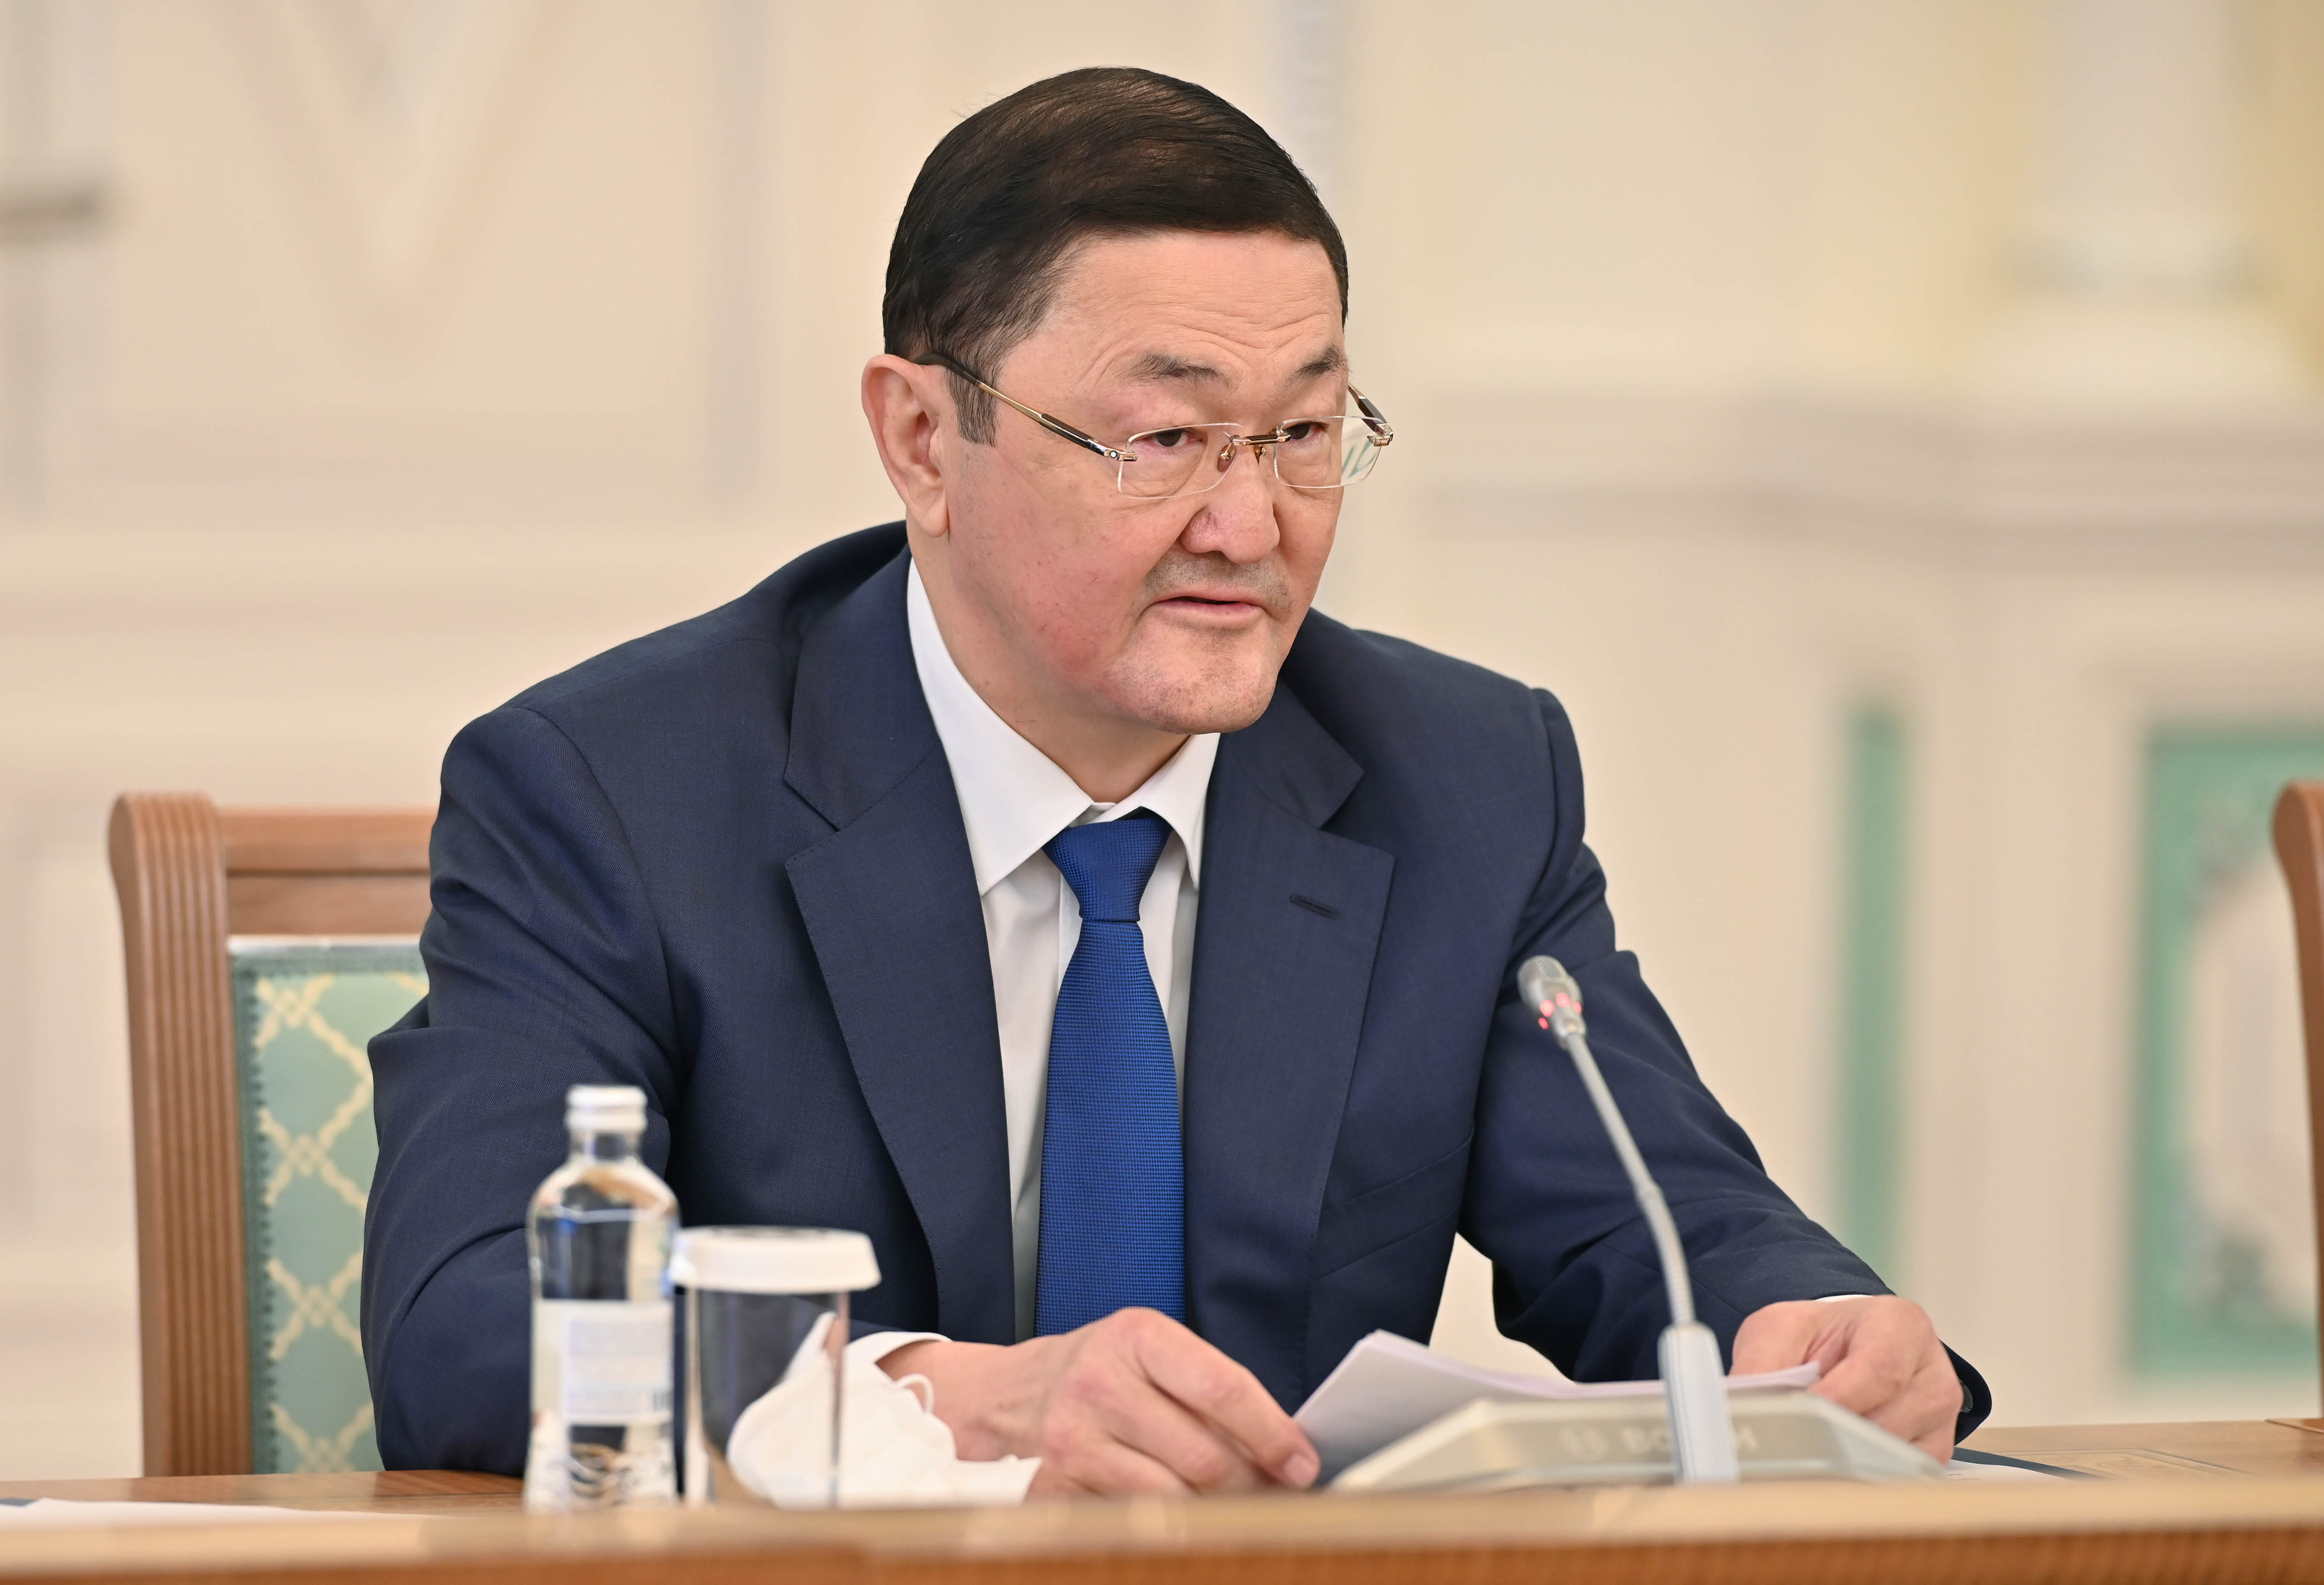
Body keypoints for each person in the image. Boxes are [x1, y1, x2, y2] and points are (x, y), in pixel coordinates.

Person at [363, 66, 1988, 1493]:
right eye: (1163, 441)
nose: (1251, 525)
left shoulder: (1465, 782)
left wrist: (1813, 1327)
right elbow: (468, 1323)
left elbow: (1660, 1221)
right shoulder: (612, 794)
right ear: (923, 439)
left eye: (1304, 434)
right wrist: (946, 1401)